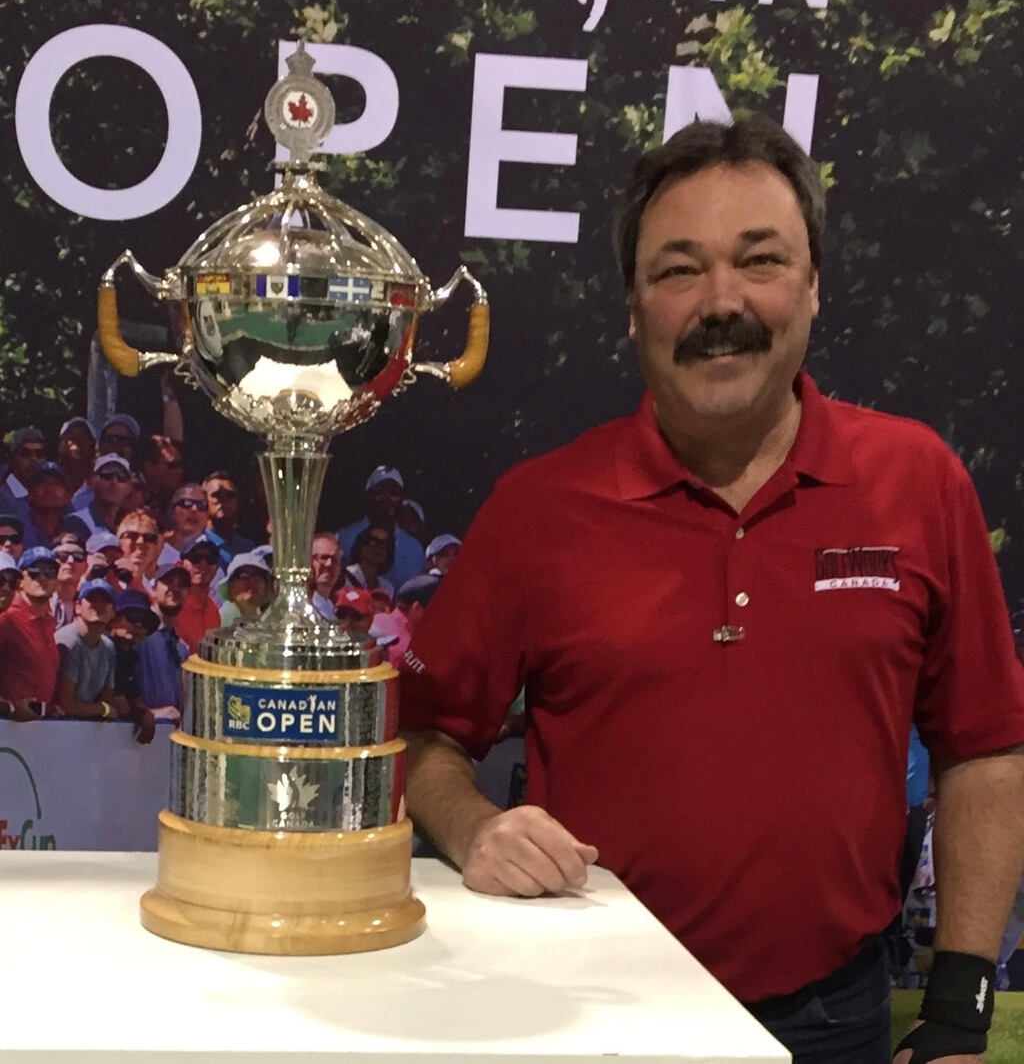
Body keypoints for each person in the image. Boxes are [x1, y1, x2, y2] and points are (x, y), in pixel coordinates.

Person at [399, 115, 1024, 1064]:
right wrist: (475, 825)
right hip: (588, 1015)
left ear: (813, 286)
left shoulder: (919, 481)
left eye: (760, 260)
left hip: (832, 1022)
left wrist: (960, 1008)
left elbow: (983, 749)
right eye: (679, 270)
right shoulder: (539, 508)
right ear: (634, 307)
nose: (721, 301)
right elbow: (420, 736)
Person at [338, 466, 425, 591]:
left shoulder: (415, 549)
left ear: (402, 499)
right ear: (368, 495)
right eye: (379, 492)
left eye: (393, 492)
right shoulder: (343, 538)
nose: (386, 498)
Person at [0, 546, 60, 721]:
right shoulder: (7, 617)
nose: (42, 577)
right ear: (22, 581)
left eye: (50, 572)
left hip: (37, 727)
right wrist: (10, 708)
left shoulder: (50, 621)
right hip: (8, 725)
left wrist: (51, 707)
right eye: (34, 571)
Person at [54, 579, 127, 721]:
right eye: (92, 600)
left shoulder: (108, 647)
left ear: (113, 612)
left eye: (105, 601)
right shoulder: (68, 641)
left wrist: (104, 708)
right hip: (58, 724)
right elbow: (66, 705)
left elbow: (107, 697)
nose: (99, 605)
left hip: (85, 725)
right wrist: (102, 709)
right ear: (78, 607)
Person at [136, 560, 190, 714]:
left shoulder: (181, 646)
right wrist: (150, 713)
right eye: (169, 582)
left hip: (170, 724)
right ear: (154, 589)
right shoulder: (139, 632)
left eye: (182, 585)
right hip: (138, 724)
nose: (175, 588)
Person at [109, 589, 158, 744]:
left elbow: (135, 698)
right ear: (114, 617)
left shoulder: (130, 656)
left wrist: (145, 712)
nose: (138, 625)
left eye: (145, 621)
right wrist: (143, 715)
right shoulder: (105, 649)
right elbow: (117, 701)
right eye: (132, 617)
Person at [21, 461, 89, 550]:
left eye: (57, 484)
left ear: (68, 496)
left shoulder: (77, 527)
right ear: (30, 493)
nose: (50, 488)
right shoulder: (20, 528)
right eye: (42, 483)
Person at [176, 536, 222, 655]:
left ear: (217, 568)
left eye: (210, 559)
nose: (203, 564)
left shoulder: (213, 610)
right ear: (181, 564)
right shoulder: (173, 606)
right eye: (195, 558)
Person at [74, 453, 133, 537]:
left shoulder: (132, 526)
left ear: (129, 487)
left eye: (121, 477)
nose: (114, 482)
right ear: (92, 481)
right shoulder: (78, 521)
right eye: (107, 475)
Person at [203, 470, 254, 559]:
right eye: (216, 495)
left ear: (238, 501)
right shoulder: (195, 546)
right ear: (204, 500)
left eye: (230, 495)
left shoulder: (248, 549)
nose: (223, 501)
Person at [0, 427, 47, 521]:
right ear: (12, 458)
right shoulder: (2, 498)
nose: (34, 459)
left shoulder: (54, 494)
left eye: (39, 454)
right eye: (25, 453)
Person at [158, 483, 209, 565]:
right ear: (172, 511)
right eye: (187, 503)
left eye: (201, 505)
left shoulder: (215, 554)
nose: (194, 509)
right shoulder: (156, 550)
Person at [116, 508, 163, 592]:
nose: (140, 542)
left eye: (149, 538)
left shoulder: (155, 591)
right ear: (119, 542)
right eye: (132, 536)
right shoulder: (105, 581)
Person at [219, 553, 272, 625]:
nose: (252, 580)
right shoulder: (225, 616)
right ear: (230, 586)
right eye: (243, 575)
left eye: (258, 575)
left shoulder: (270, 618)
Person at [344, 525, 395, 599]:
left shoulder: (388, 588)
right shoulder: (345, 577)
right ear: (361, 547)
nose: (379, 548)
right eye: (373, 542)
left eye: (385, 544)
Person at [51, 531, 89, 628]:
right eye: (63, 556)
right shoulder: (39, 598)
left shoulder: (91, 602)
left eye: (78, 557)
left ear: (86, 565)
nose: (71, 561)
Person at [138, 434, 184, 513]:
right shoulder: (130, 494)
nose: (179, 471)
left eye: (179, 465)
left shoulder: (174, 496)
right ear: (149, 467)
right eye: (172, 465)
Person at [57, 417, 96, 508]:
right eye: (70, 438)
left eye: (82, 439)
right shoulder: (49, 481)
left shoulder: (100, 485)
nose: (75, 445)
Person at [309, 532, 343, 620]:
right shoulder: (301, 606)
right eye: (323, 558)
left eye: (334, 559)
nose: (329, 564)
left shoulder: (332, 608)